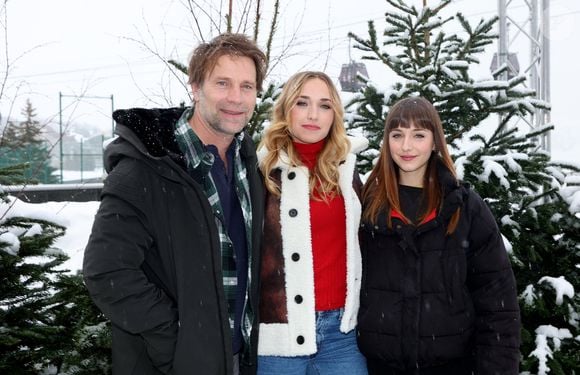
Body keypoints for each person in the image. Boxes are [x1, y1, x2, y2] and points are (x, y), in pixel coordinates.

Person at [82, 33, 266, 375]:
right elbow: (106, 271)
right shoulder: (145, 168)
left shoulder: (248, 163)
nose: (236, 98)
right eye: (222, 83)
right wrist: (176, 341)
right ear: (195, 87)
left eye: (247, 86)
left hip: (240, 360)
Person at [357, 96, 521, 375]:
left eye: (418, 135)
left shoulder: (465, 207)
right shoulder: (366, 205)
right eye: (397, 135)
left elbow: (497, 303)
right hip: (378, 368)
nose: (406, 146)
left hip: (453, 366)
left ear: (435, 141)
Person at [256, 71, 368, 374]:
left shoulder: (347, 170)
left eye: (324, 105)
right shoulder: (263, 171)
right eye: (302, 103)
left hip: (342, 334)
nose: (313, 115)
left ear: (335, 115)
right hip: (281, 337)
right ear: (286, 109)